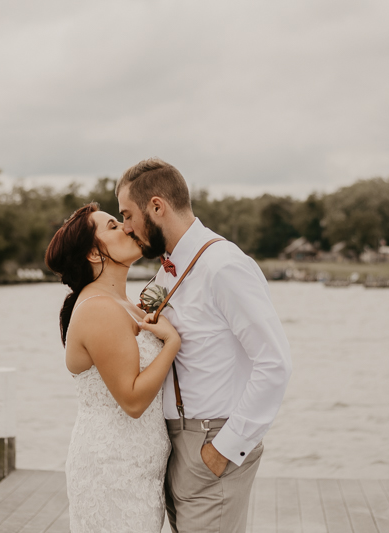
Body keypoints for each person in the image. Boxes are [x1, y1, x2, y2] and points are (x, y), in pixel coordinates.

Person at [116, 159, 292, 533]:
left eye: (128, 215)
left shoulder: (223, 266)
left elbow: (274, 362)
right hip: (174, 446)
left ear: (157, 207)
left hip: (213, 442)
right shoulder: (167, 270)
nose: (126, 227)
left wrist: (225, 448)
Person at [44, 202, 180, 533]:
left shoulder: (128, 305)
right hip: (111, 473)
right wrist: (171, 344)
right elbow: (132, 400)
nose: (127, 227)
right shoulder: (99, 309)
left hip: (139, 470)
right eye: (112, 226)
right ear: (93, 253)